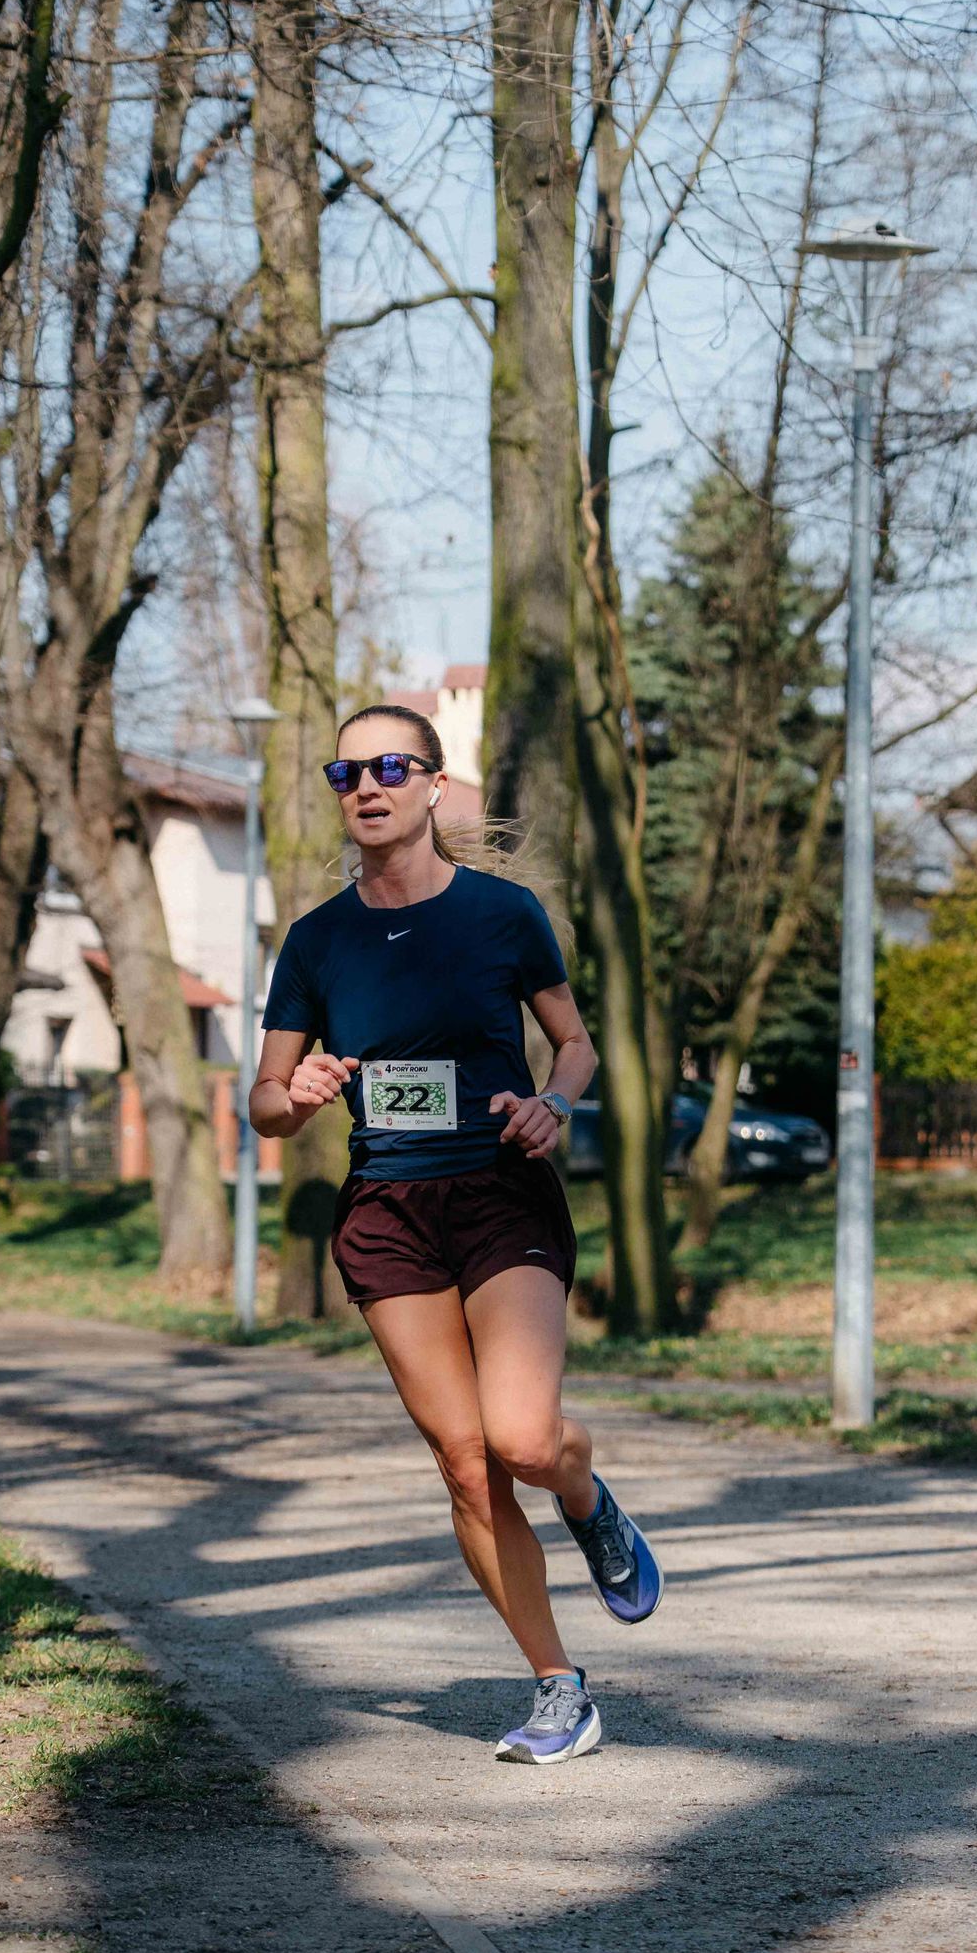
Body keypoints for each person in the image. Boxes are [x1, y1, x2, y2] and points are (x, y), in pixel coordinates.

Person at [250, 703, 664, 1766]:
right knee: (468, 1465)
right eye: (347, 772)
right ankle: (559, 1685)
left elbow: (573, 1044)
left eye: (391, 766)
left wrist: (553, 1103)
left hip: (498, 1191)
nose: (367, 786)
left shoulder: (502, 914)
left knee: (524, 1441)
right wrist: (296, 1093)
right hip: (388, 1212)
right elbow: (264, 1100)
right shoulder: (317, 941)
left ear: (436, 785)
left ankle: (584, 1492)